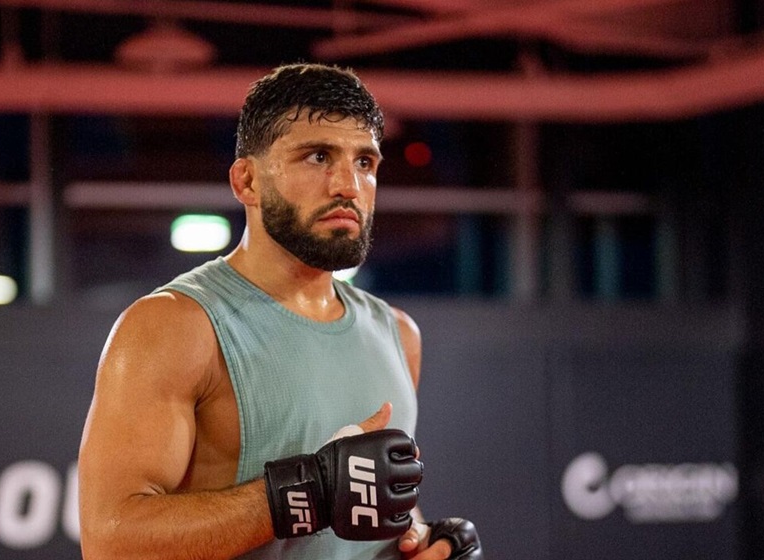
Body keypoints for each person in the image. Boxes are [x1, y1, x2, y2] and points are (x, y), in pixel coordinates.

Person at [77, 63, 482, 560]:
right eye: (318, 156)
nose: (349, 185)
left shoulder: (398, 334)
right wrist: (305, 494)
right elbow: (111, 542)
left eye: (364, 162)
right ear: (247, 181)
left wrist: (422, 540)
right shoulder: (174, 326)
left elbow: (367, 507)